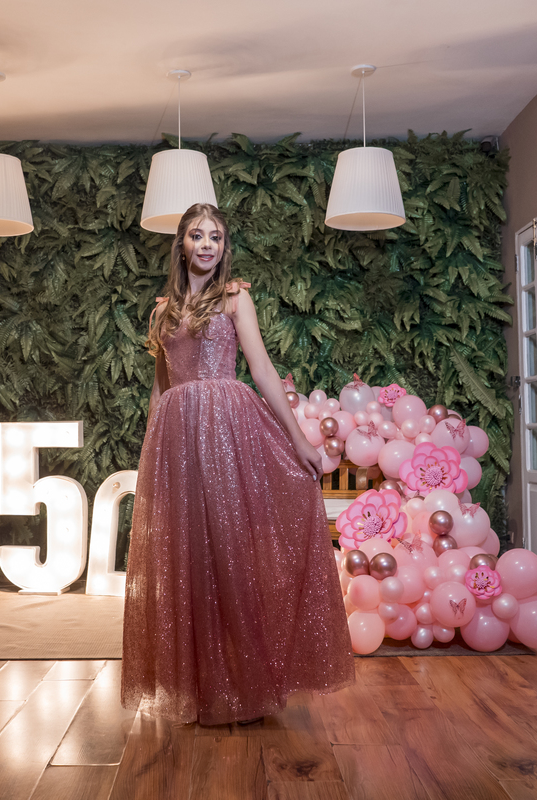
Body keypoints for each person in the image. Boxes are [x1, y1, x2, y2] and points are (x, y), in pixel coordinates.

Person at [120, 202, 354, 726]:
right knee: (187, 558)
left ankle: (245, 683)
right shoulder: (162, 311)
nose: (207, 244)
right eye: (197, 235)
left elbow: (263, 370)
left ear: (224, 247)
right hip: (177, 438)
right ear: (181, 243)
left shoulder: (234, 298)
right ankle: (200, 686)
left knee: (231, 553)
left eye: (216, 237)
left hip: (227, 429)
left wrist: (300, 441)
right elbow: (161, 389)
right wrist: (151, 453)